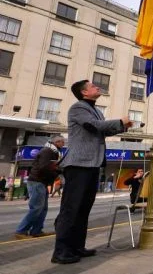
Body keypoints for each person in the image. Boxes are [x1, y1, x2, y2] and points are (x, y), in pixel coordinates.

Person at [52, 80, 132, 265]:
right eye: (93, 86)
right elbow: (93, 126)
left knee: (83, 209)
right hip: (79, 164)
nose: (97, 86)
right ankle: (61, 251)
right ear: (84, 92)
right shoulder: (78, 108)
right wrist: (120, 121)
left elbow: (101, 131)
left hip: (92, 164)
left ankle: (77, 246)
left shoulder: (95, 110)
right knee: (71, 209)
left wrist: (123, 127)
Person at [15, 135, 65, 239]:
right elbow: (44, 167)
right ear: (56, 142)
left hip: (41, 183)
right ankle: (21, 231)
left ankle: (36, 230)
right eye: (62, 142)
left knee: (43, 209)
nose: (63, 144)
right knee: (36, 208)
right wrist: (58, 170)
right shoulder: (47, 151)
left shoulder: (53, 152)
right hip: (37, 182)